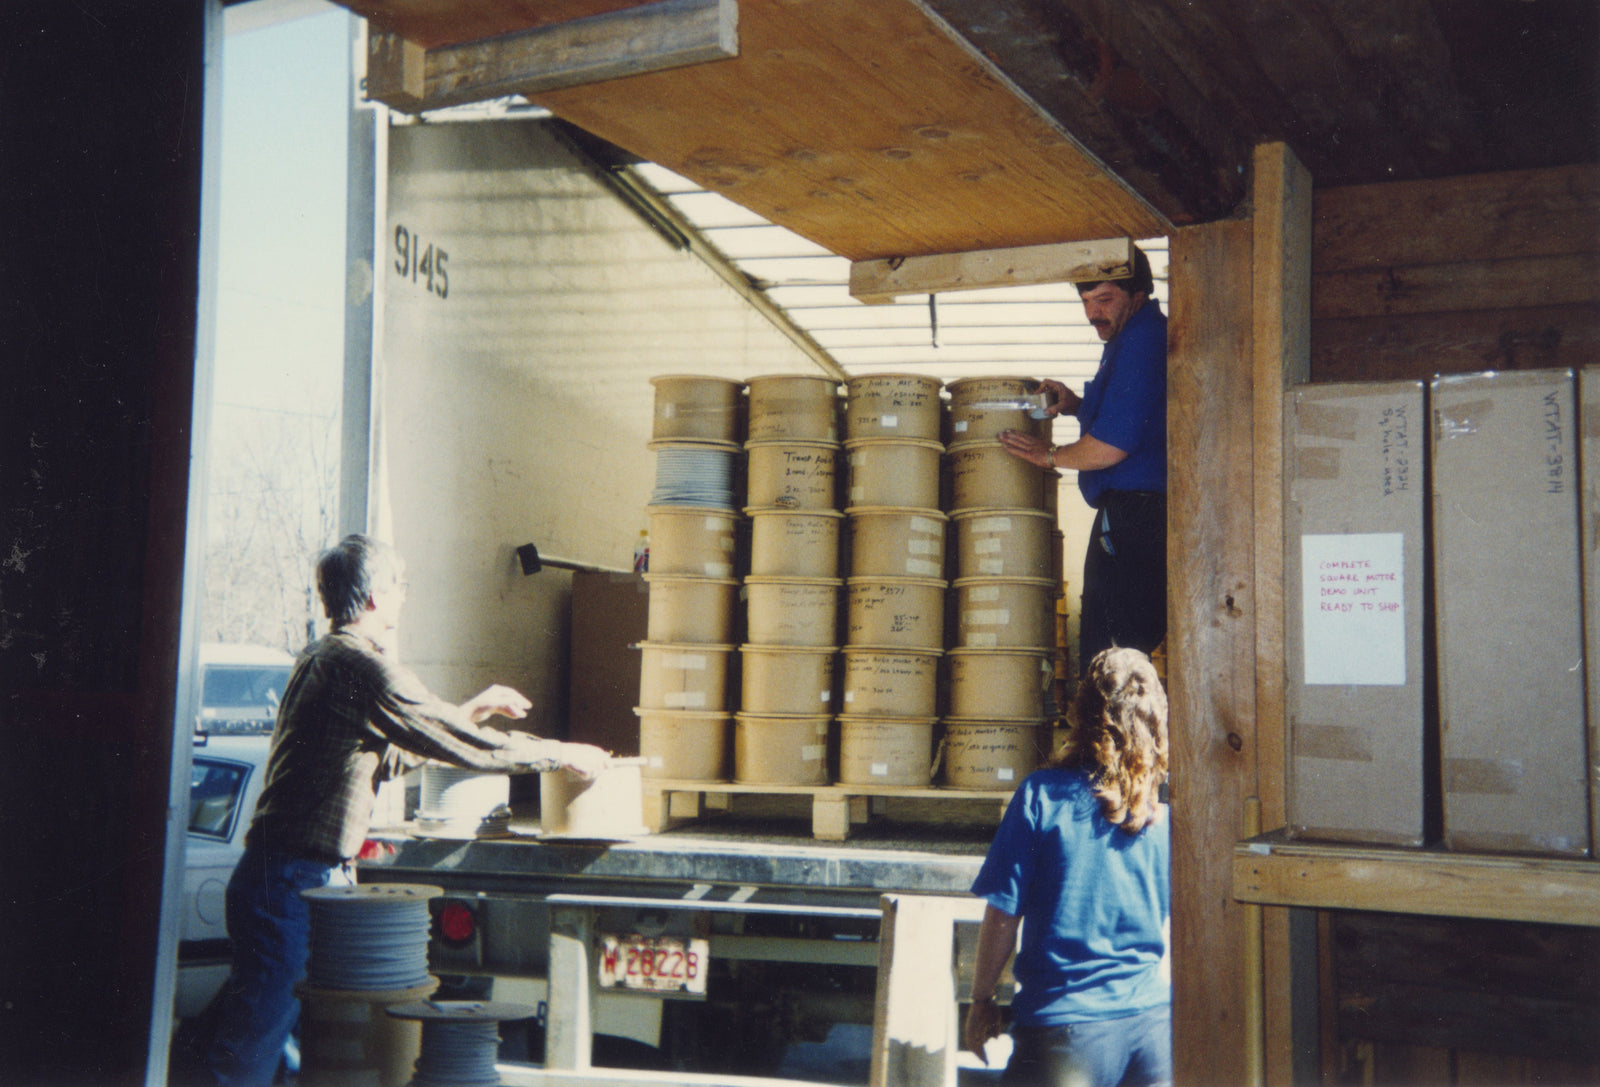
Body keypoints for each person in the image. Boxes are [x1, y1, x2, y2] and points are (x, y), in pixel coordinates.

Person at [178, 534, 609, 1086]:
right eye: (401, 585)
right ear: (376, 596)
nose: (405, 597)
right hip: (291, 879)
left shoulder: (321, 657)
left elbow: (397, 754)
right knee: (251, 1046)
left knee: (269, 1034)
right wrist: (562, 755)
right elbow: (454, 743)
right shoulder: (360, 667)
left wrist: (473, 709)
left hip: (282, 877)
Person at [963, 647, 1171, 1087]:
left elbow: (1003, 915)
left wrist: (981, 999)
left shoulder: (1043, 796)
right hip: (1152, 1032)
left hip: (1065, 1037)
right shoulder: (1159, 816)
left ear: (1082, 713)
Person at [998, 247, 1167, 675]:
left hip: (1135, 515)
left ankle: (1114, 742)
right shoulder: (1127, 338)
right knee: (1118, 652)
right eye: (1086, 302)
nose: (1093, 313)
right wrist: (1076, 405)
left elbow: (1110, 446)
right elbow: (1131, 416)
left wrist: (1047, 454)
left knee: (1112, 655)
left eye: (1105, 299)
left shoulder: (1144, 341)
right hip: (1135, 514)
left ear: (1139, 293)